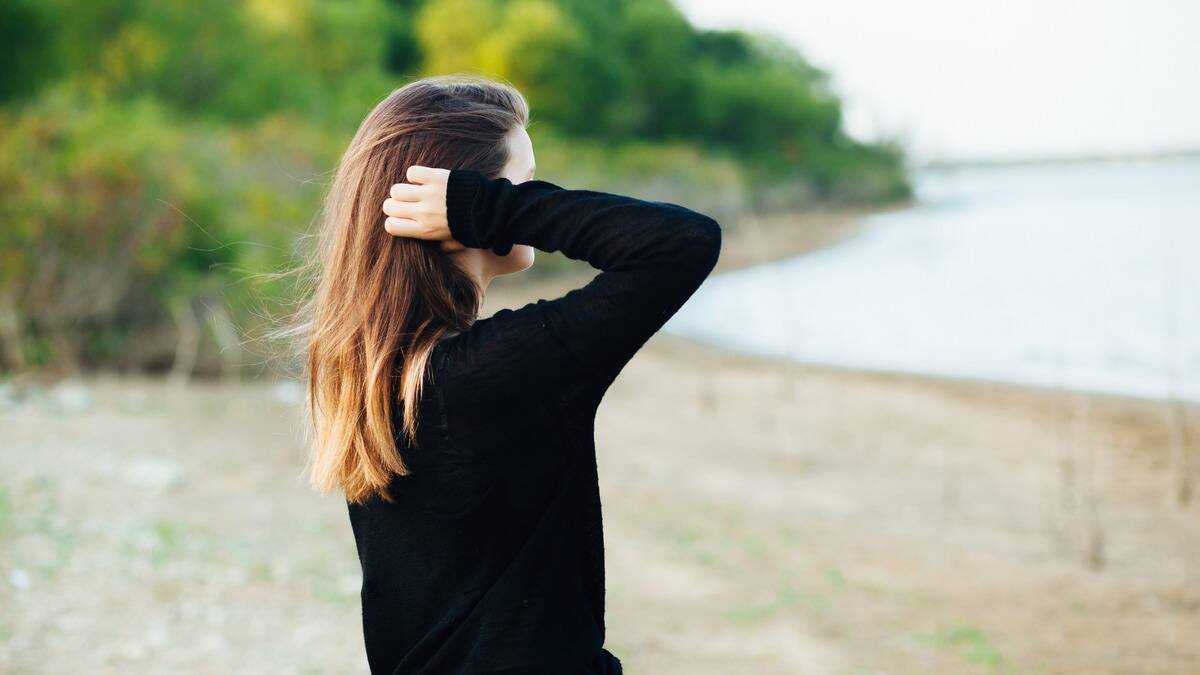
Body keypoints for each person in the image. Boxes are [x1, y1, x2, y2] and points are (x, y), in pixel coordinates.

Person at [298, 74, 721, 674]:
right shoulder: (492, 375)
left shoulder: (371, 374)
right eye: (525, 184)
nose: (534, 199)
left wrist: (490, 200)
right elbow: (682, 242)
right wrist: (489, 207)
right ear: (458, 204)